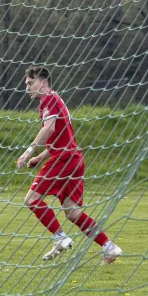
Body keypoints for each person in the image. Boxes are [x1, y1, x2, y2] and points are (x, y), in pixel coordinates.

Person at [16, 65, 122, 264]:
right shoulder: (56, 99)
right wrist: (40, 158)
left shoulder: (48, 99)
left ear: (43, 82)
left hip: (64, 160)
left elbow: (50, 128)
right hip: (73, 158)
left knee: (31, 200)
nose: (27, 87)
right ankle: (109, 247)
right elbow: (60, 137)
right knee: (72, 213)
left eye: (31, 83)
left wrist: (28, 151)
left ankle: (60, 238)